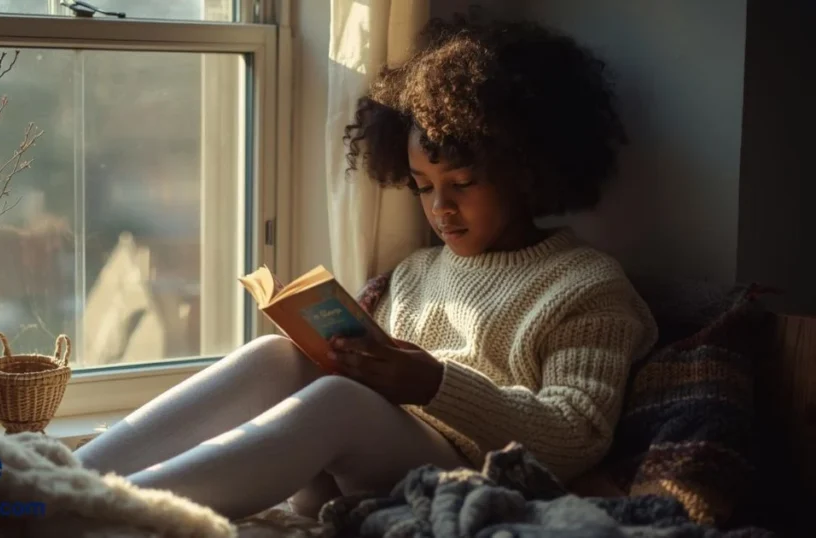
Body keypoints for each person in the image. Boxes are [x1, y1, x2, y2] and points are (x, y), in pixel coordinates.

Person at [74, 12, 658, 521]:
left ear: (529, 170)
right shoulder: (417, 273)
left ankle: (90, 514)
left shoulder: (588, 285)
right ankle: (58, 478)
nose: (440, 208)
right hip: (355, 462)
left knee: (340, 404)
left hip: (475, 475)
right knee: (277, 356)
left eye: (462, 184)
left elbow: (577, 435)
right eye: (423, 188)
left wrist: (433, 384)